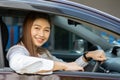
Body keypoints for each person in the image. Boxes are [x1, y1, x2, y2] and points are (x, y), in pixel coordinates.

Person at [6, 12, 106, 75]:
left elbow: (70, 66)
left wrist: (88, 55)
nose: (41, 34)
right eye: (37, 28)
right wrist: (63, 66)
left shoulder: (43, 52)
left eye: (46, 30)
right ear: (27, 29)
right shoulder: (17, 50)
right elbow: (18, 63)